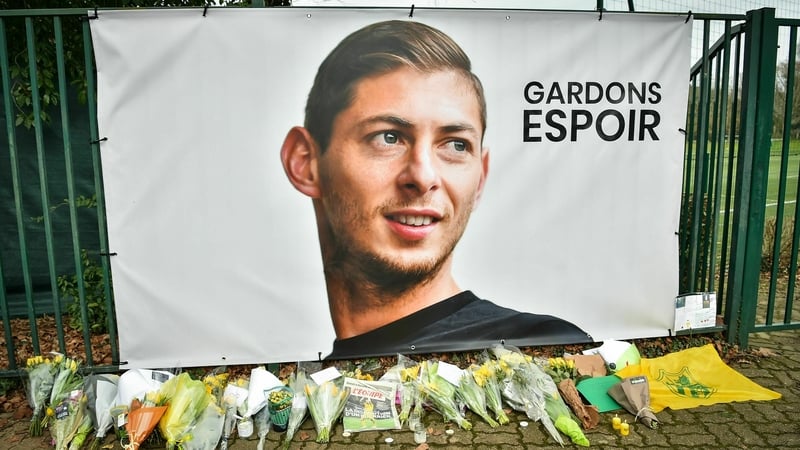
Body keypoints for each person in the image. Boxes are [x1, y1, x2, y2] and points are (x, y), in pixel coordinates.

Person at [280, 19, 592, 359]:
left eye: (456, 145)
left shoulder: (541, 350)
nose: (423, 176)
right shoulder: (306, 379)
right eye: (388, 137)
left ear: (480, 179)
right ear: (305, 162)